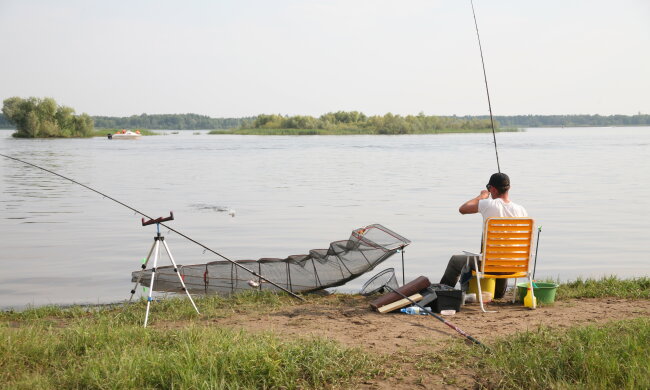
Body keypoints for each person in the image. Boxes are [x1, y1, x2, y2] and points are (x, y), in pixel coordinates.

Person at [440, 172, 528, 298]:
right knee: (502, 253)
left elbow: (463, 209)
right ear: (509, 188)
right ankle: (498, 293)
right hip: (515, 265)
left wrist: (481, 196)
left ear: (492, 189)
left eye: (489, 188)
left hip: (491, 265)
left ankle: (442, 295)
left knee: (455, 260)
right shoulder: (521, 210)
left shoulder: (488, 204)